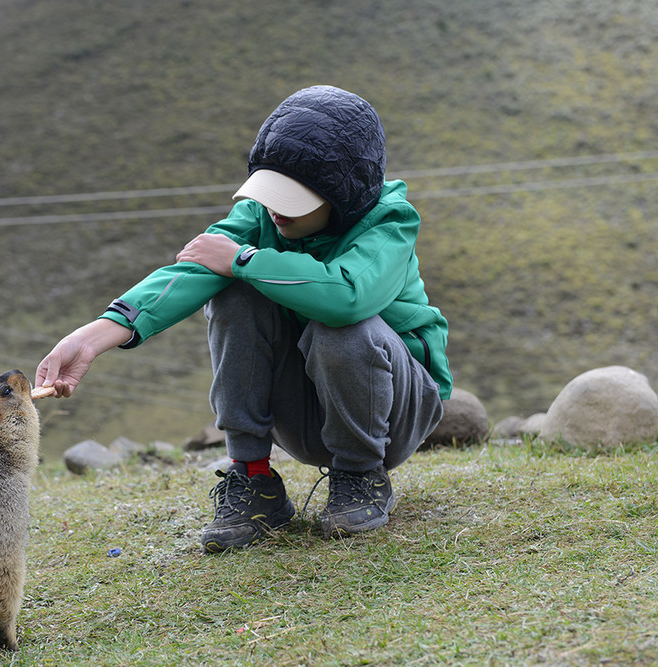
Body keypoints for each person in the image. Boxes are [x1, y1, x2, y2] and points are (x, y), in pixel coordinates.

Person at [35, 85, 452, 552]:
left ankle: (360, 476)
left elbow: (348, 297)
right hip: (310, 410)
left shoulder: (389, 223)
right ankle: (252, 478)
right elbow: (191, 270)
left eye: (292, 197)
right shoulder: (260, 216)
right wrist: (92, 338)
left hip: (394, 412)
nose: (275, 208)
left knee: (340, 326)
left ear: (343, 194)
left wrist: (245, 260)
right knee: (233, 294)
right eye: (271, 190)